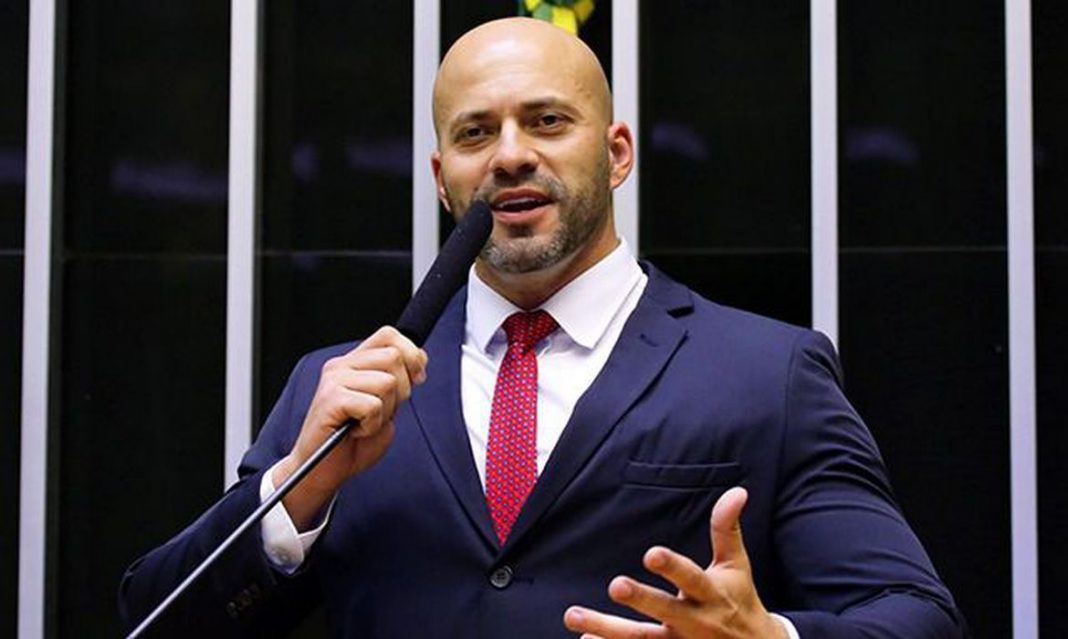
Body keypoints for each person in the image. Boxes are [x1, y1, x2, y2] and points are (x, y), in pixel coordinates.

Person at [120, 17, 967, 638]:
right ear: (442, 178)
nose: (510, 154)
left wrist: (769, 637)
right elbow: (155, 621)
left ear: (617, 153)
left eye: (548, 121)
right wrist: (293, 497)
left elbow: (917, 616)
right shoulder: (339, 388)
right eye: (475, 133)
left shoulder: (767, 373)